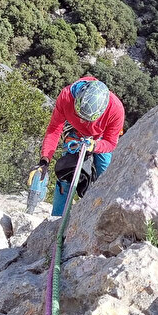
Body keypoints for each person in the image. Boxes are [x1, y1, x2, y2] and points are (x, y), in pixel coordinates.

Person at [32, 76, 125, 216]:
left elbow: (111, 143)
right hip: (76, 133)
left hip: (100, 138)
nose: (82, 120)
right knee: (66, 176)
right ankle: (57, 220)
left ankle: (102, 214)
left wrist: (94, 146)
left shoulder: (116, 110)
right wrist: (44, 160)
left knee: (105, 177)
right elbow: (54, 129)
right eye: (79, 115)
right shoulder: (66, 96)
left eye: (86, 119)